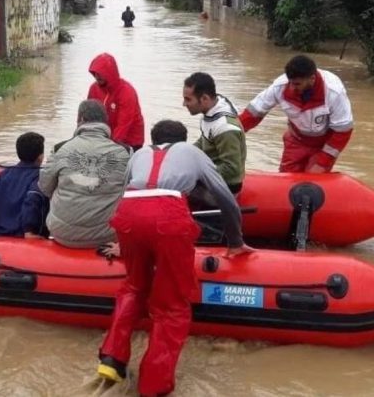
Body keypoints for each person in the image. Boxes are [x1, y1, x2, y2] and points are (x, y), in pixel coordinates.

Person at [96, 120, 252, 396]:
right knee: (172, 305)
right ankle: (154, 384)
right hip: (168, 216)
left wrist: (123, 242)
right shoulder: (191, 152)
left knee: (133, 286)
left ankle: (112, 357)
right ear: (182, 140)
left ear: (154, 139)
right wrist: (236, 241)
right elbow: (224, 196)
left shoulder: (138, 154)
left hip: (129, 215)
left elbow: (124, 195)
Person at [38, 100, 130, 248]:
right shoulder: (125, 151)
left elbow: (44, 187)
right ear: (105, 121)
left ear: (80, 120)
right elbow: (128, 193)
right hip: (107, 236)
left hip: (63, 233)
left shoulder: (60, 148)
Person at [238, 55, 354, 173]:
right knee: (286, 178)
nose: (292, 88)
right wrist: (231, 131)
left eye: (297, 84)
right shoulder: (280, 86)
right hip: (296, 140)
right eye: (291, 83)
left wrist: (323, 162)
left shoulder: (333, 91)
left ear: (312, 79)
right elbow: (253, 113)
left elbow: (343, 131)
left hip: (323, 145)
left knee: (312, 182)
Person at [0, 132, 48, 238]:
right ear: (40, 157)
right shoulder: (39, 177)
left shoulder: (4, 174)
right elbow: (32, 200)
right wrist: (29, 231)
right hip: (20, 235)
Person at [182, 72, 246, 193]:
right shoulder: (210, 113)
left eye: (188, 99)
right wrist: (184, 153)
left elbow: (232, 169)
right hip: (214, 175)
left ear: (205, 98)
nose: (184, 104)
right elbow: (204, 141)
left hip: (226, 186)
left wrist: (197, 172)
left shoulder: (225, 128)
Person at [87, 53, 144, 150]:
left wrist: (110, 147)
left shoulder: (126, 91)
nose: (97, 76)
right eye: (95, 73)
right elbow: (88, 116)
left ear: (109, 73)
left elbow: (123, 124)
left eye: (100, 73)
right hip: (106, 138)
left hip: (131, 140)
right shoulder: (94, 89)